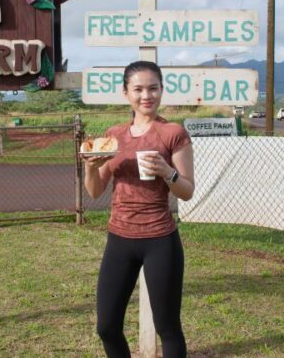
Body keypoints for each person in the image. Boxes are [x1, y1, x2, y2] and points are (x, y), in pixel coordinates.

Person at [82, 60, 195, 358]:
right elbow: (94, 190)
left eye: (153, 88)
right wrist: (90, 167)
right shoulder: (114, 134)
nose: (147, 96)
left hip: (160, 239)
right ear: (126, 93)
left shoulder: (173, 133)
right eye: (139, 89)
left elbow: (187, 191)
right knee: (106, 326)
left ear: (161, 90)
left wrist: (167, 171)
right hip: (119, 238)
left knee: (167, 327)